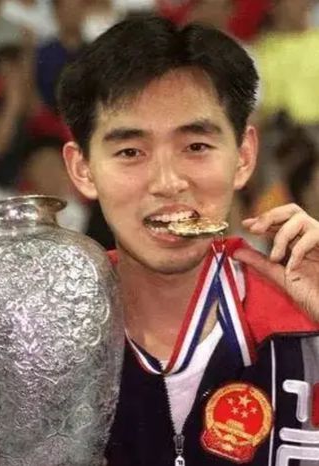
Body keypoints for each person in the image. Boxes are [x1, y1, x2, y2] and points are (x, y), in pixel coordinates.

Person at [57, 16, 319, 465]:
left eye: (196, 146)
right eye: (130, 152)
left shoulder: (302, 318)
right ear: (83, 170)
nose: (167, 182)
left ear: (244, 157)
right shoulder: (43, 339)